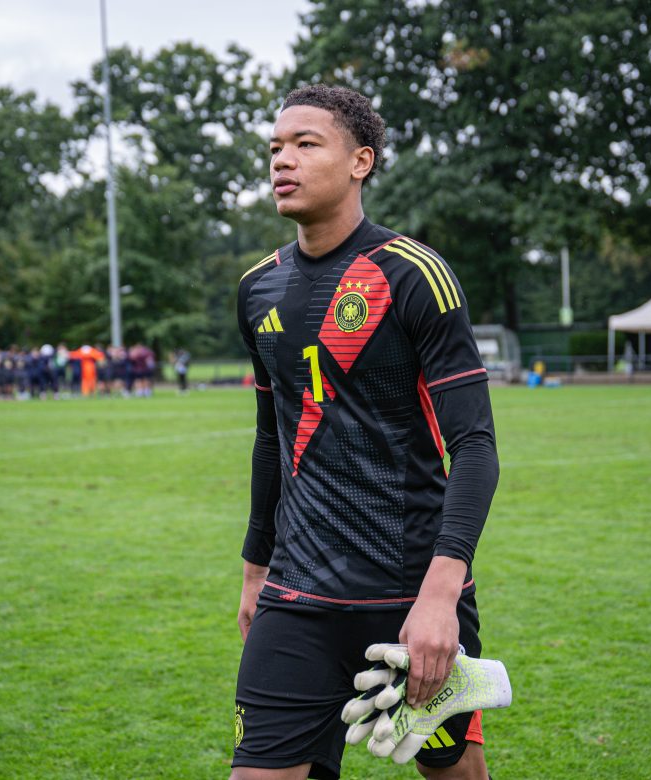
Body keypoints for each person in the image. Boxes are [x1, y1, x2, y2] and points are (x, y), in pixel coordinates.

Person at [232, 85, 500, 780]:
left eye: (305, 144)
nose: (281, 160)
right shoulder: (257, 289)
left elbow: (473, 446)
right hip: (297, 595)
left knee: (455, 777)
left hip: (409, 596)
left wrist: (441, 597)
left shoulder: (415, 275)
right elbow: (271, 439)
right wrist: (255, 570)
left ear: (361, 161)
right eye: (275, 147)